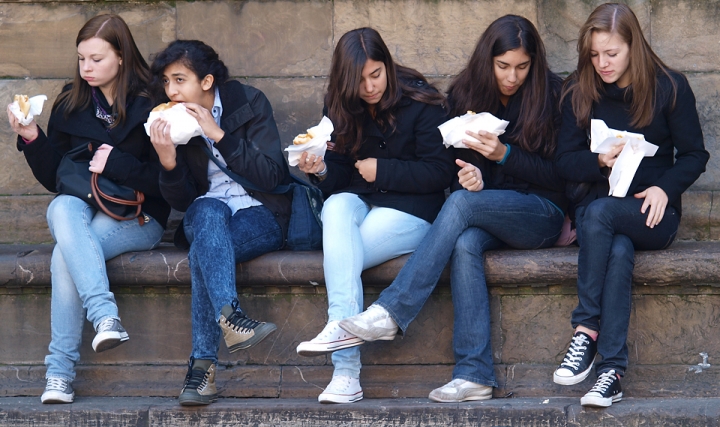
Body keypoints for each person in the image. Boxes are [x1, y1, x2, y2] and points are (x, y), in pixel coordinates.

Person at [338, 15, 567, 403]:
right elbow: (459, 170)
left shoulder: (554, 95)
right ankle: (474, 374)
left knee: (460, 206)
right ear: (487, 61)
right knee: (464, 242)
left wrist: (505, 154)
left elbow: (562, 173)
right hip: (488, 212)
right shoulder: (464, 95)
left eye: (522, 67)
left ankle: (392, 312)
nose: (512, 77)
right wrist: (475, 176)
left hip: (541, 212)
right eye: (503, 66)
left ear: (535, 63)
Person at [550, 3, 708, 408]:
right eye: (594, 54)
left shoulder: (669, 86)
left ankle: (586, 328)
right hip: (601, 214)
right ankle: (611, 372)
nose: (602, 63)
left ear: (633, 47)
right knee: (617, 249)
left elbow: (694, 155)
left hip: (654, 216)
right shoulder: (577, 89)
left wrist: (664, 188)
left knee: (602, 216)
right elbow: (563, 161)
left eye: (612, 54)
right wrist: (598, 160)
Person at [7, 14, 170, 404]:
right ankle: (104, 316)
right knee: (61, 205)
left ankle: (59, 373)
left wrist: (117, 164)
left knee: (66, 256)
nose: (87, 68)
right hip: (81, 209)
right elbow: (57, 179)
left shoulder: (154, 104)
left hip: (139, 216)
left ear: (121, 56)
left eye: (97, 58)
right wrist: (32, 138)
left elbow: (172, 182)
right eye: (82, 59)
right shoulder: (70, 102)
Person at [294, 27, 455, 403]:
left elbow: (440, 173)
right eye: (359, 80)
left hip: (412, 212)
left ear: (388, 66)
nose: (369, 87)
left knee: (341, 258)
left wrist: (382, 170)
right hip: (358, 202)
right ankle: (342, 344)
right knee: (334, 206)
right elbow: (336, 179)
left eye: (376, 75)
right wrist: (318, 170)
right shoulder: (339, 103)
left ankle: (346, 372)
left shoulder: (421, 100)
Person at [148, 40, 291, 406]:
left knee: (203, 253)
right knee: (208, 211)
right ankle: (232, 319)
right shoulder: (170, 121)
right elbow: (182, 202)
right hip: (207, 212)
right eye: (166, 82)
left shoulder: (249, 102)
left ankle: (202, 371)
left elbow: (272, 176)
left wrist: (218, 135)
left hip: (261, 212)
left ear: (207, 81)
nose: (172, 91)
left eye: (180, 80)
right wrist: (168, 162)